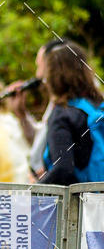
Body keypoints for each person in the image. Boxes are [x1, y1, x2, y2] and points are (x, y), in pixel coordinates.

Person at [39, 41, 104, 185]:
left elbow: (63, 168)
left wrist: (31, 191)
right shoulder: (98, 105)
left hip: (83, 197)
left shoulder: (62, 114)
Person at [5, 38, 65, 174]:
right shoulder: (56, 102)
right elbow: (40, 144)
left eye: (40, 66)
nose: (38, 75)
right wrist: (21, 114)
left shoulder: (72, 104)